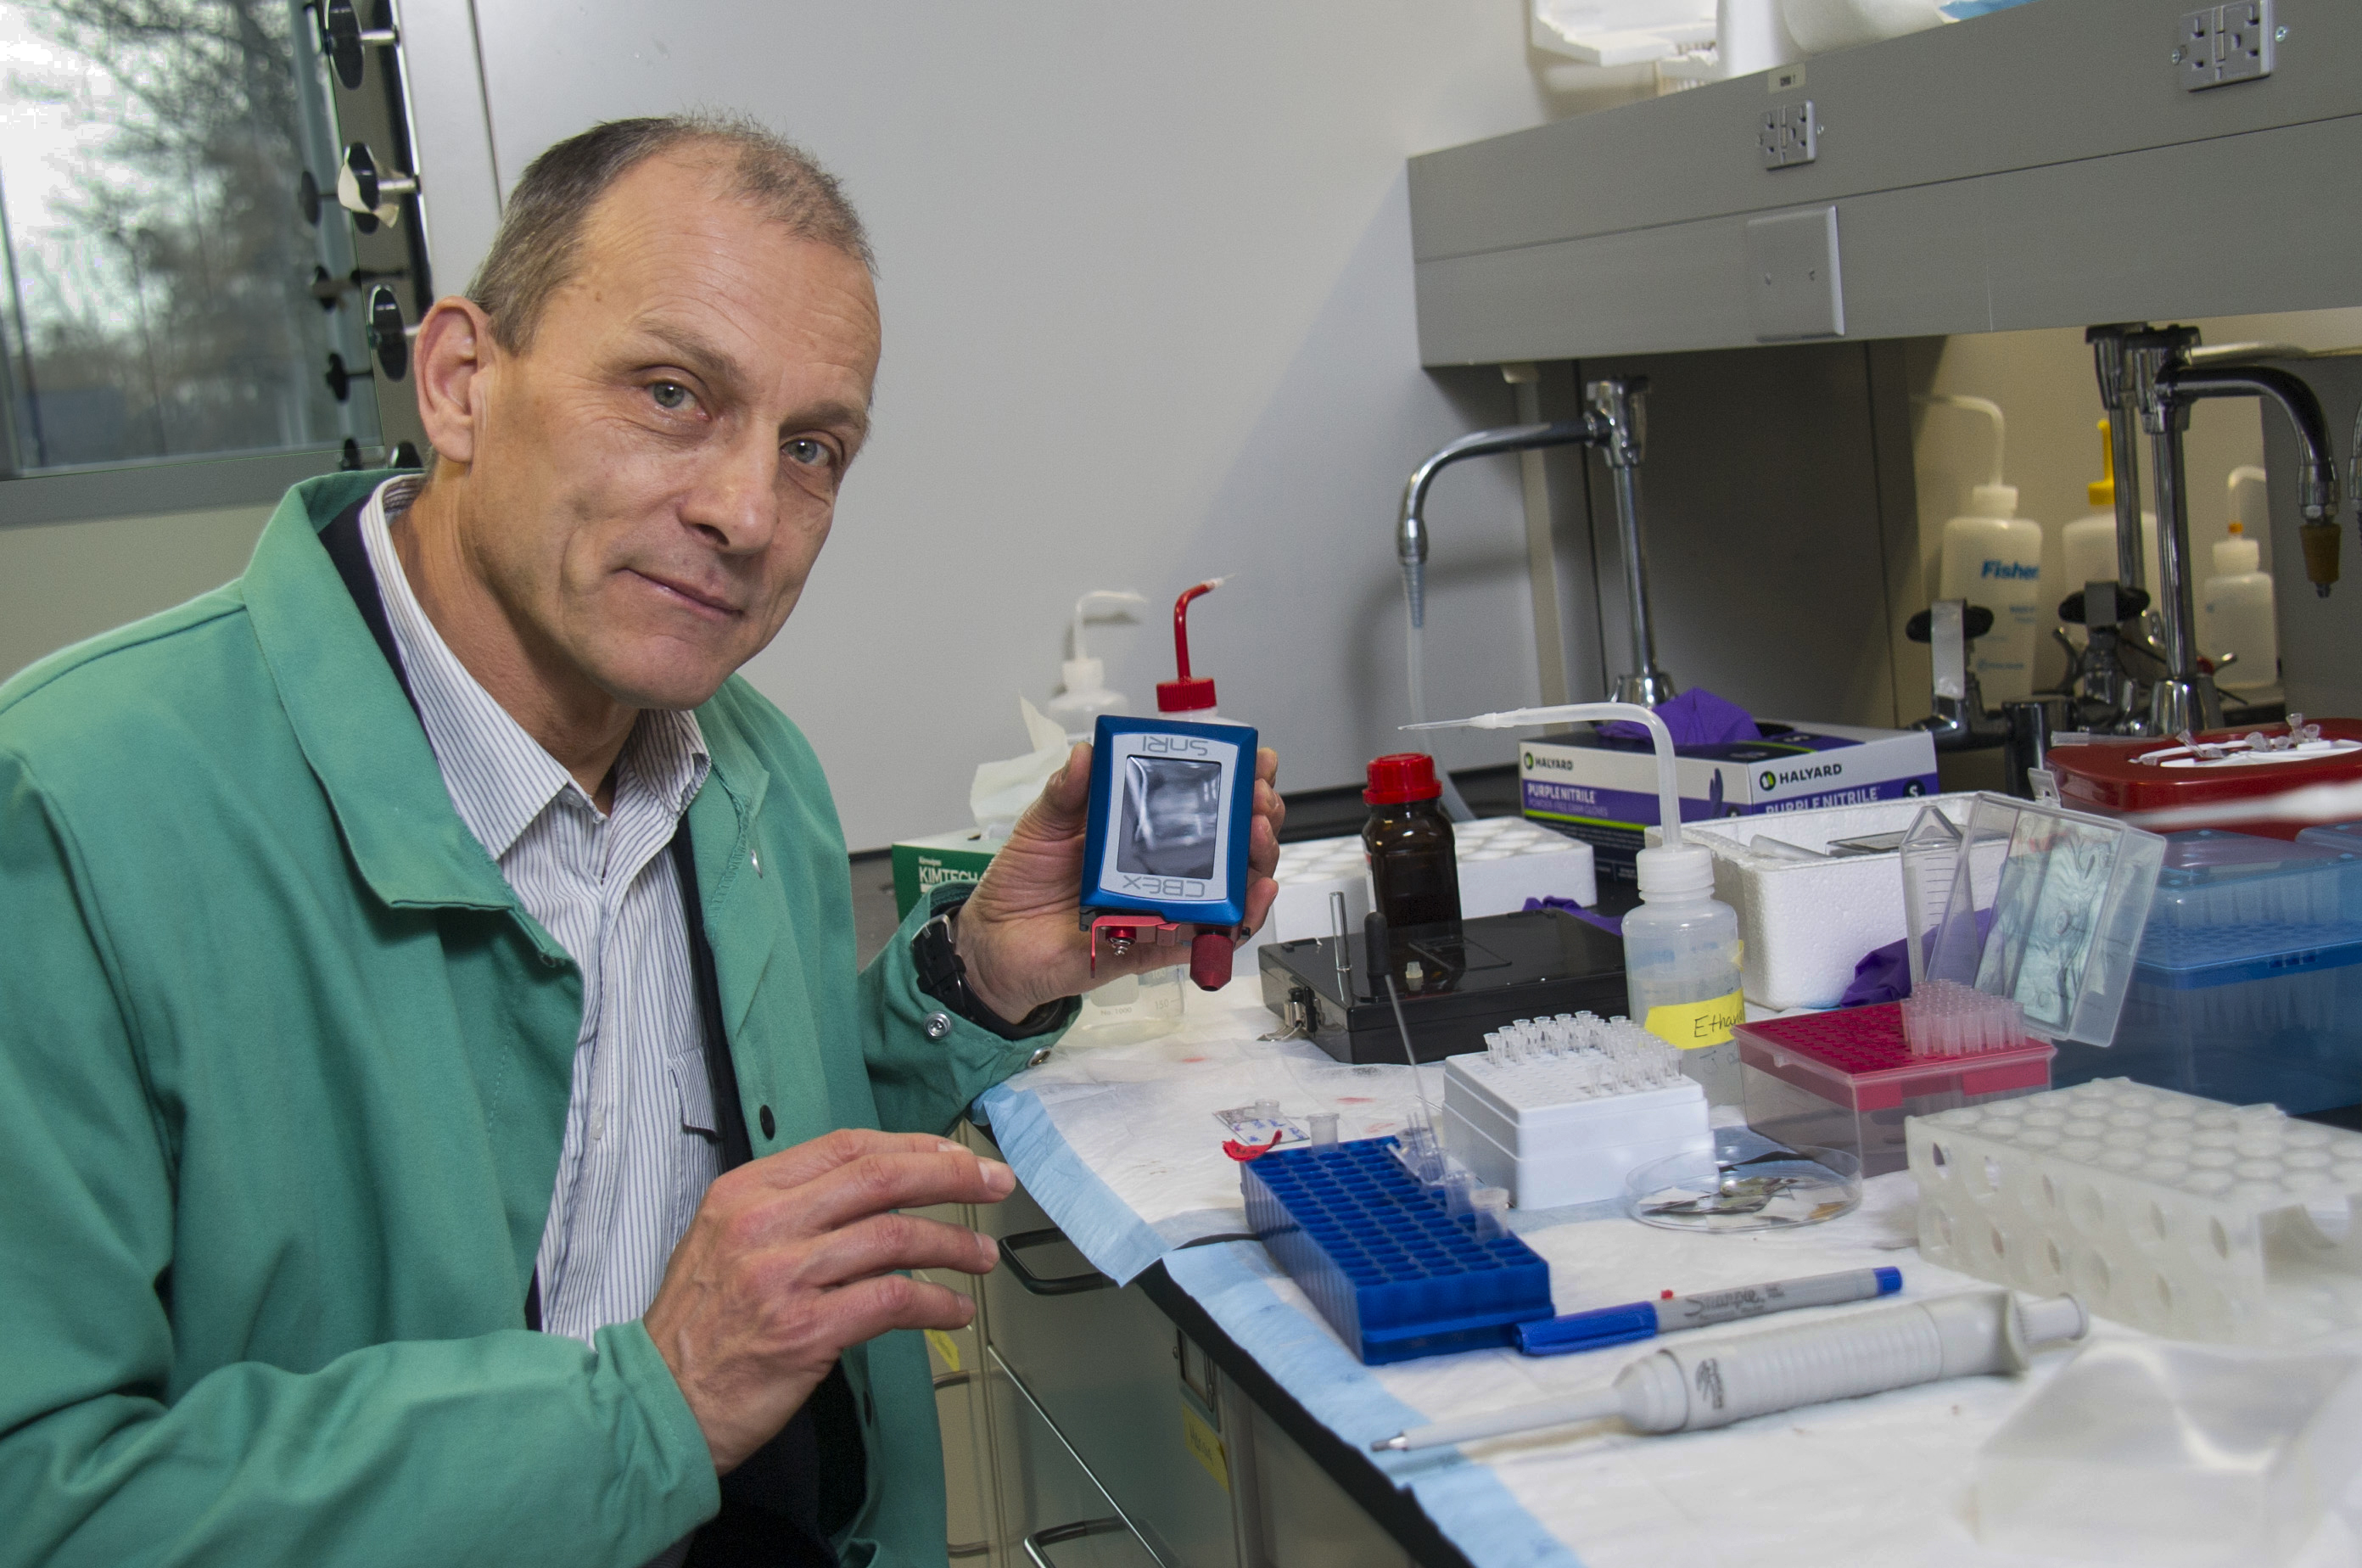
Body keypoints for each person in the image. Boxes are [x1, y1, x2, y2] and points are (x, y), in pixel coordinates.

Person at [0, 114, 1283, 1568]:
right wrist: (656, 1401)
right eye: (673, 394)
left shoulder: (751, 775)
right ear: (462, 382)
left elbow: (743, 1142)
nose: (745, 512)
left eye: (812, 448)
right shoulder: (71, 808)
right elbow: (45, 1500)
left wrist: (977, 976)